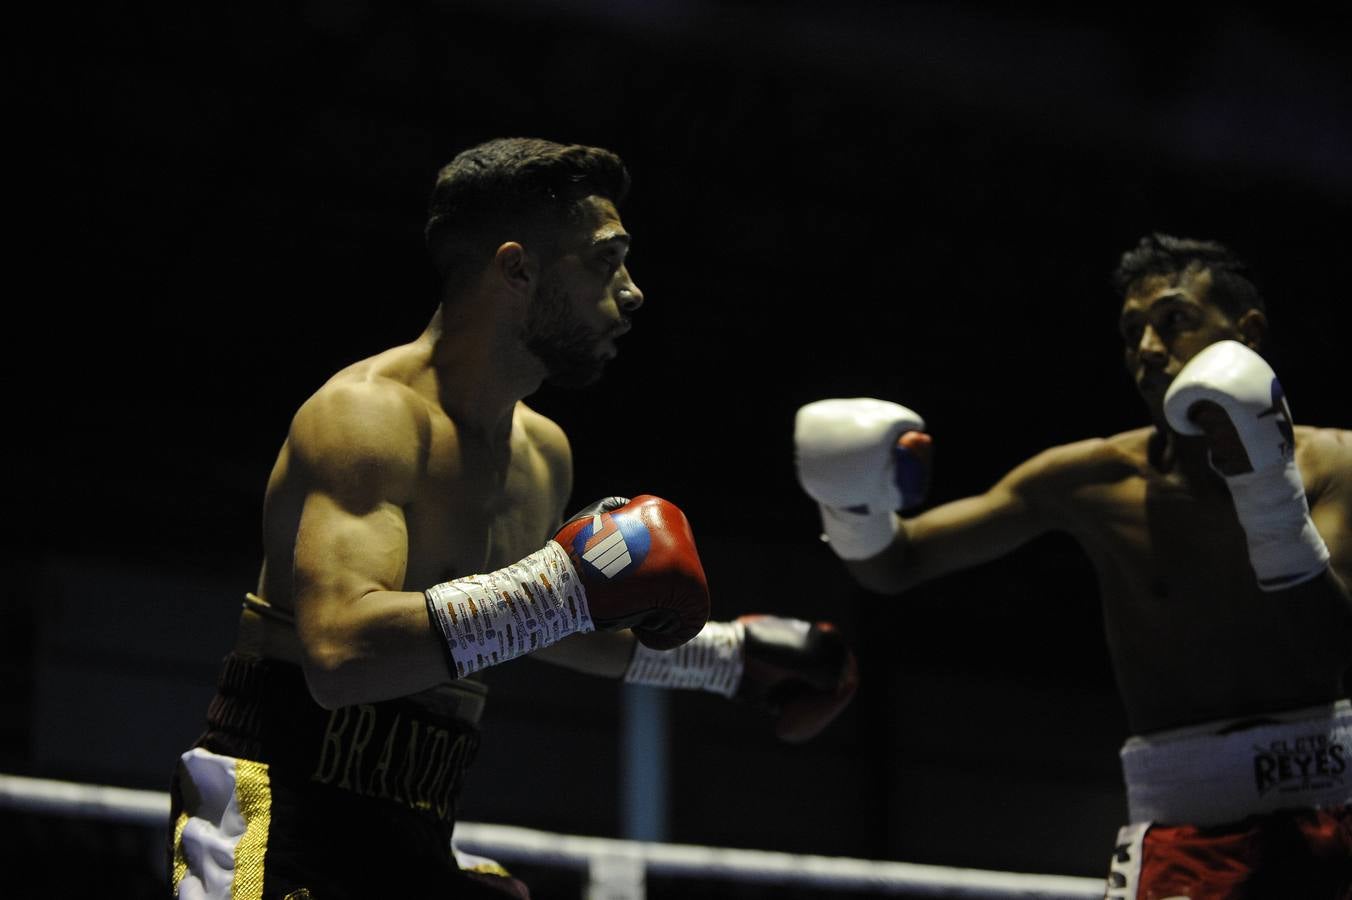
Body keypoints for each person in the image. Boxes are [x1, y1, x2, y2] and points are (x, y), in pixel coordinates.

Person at [168, 138, 858, 899]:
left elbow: (543, 618)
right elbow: (341, 656)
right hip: (282, 815)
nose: (632, 292)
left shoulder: (540, 452)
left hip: (418, 821)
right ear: (516, 268)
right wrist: (565, 586)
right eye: (606, 260)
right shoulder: (367, 417)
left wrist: (727, 660)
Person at [793, 233, 1352, 899]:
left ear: (1247, 334)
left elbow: (1327, 651)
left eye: (1173, 321)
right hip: (1189, 836)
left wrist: (1267, 492)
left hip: (1339, 805)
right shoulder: (1090, 480)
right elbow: (898, 562)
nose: (1147, 348)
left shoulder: (1335, 464)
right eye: (1132, 330)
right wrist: (851, 502)